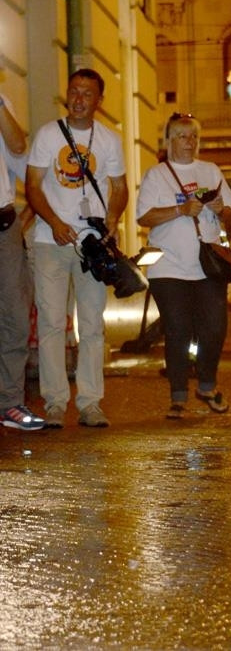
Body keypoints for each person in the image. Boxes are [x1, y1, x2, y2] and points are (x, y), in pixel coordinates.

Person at [25, 68, 127, 429]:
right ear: (67, 95)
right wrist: (53, 222)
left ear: (99, 101)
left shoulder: (110, 141)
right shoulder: (48, 135)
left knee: (92, 325)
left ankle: (90, 403)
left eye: (88, 93)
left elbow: (119, 187)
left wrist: (113, 217)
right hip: (49, 241)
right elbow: (32, 186)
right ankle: (54, 402)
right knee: (52, 323)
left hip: (92, 245)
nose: (80, 98)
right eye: (74, 91)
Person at [136, 113, 231, 419]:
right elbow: (143, 218)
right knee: (178, 327)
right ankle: (177, 395)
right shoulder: (157, 175)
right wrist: (180, 209)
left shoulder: (210, 170)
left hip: (207, 266)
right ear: (169, 141)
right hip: (168, 266)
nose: (188, 142)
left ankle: (206, 385)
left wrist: (223, 210)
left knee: (215, 327)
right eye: (181, 136)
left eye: (193, 136)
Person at [0, 91, 44, 431]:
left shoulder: (3, 102)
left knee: (15, 315)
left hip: (3, 225)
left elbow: (18, 152)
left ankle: (10, 403)